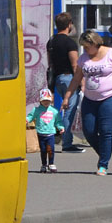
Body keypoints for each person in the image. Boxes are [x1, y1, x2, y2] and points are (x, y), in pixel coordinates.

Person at [61, 29, 112, 176]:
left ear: (95, 43)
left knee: (105, 130)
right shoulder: (84, 58)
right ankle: (105, 152)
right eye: (83, 47)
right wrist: (67, 97)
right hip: (90, 99)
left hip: (111, 97)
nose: (85, 50)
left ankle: (103, 164)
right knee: (89, 131)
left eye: (87, 46)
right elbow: (76, 79)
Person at [47, 12, 84, 153]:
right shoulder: (70, 43)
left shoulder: (51, 41)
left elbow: (50, 63)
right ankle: (67, 143)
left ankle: (59, 137)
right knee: (69, 111)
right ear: (69, 25)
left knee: (64, 108)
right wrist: (80, 81)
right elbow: (75, 65)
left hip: (57, 78)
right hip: (69, 78)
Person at [26, 88, 64, 174]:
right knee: (43, 150)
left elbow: (58, 121)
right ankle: (44, 164)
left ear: (51, 100)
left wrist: (61, 127)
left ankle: (51, 163)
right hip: (40, 133)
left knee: (50, 149)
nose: (46, 102)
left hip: (50, 134)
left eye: (48, 100)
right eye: (44, 100)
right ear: (40, 100)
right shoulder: (37, 110)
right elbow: (31, 116)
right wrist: (27, 119)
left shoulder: (54, 111)